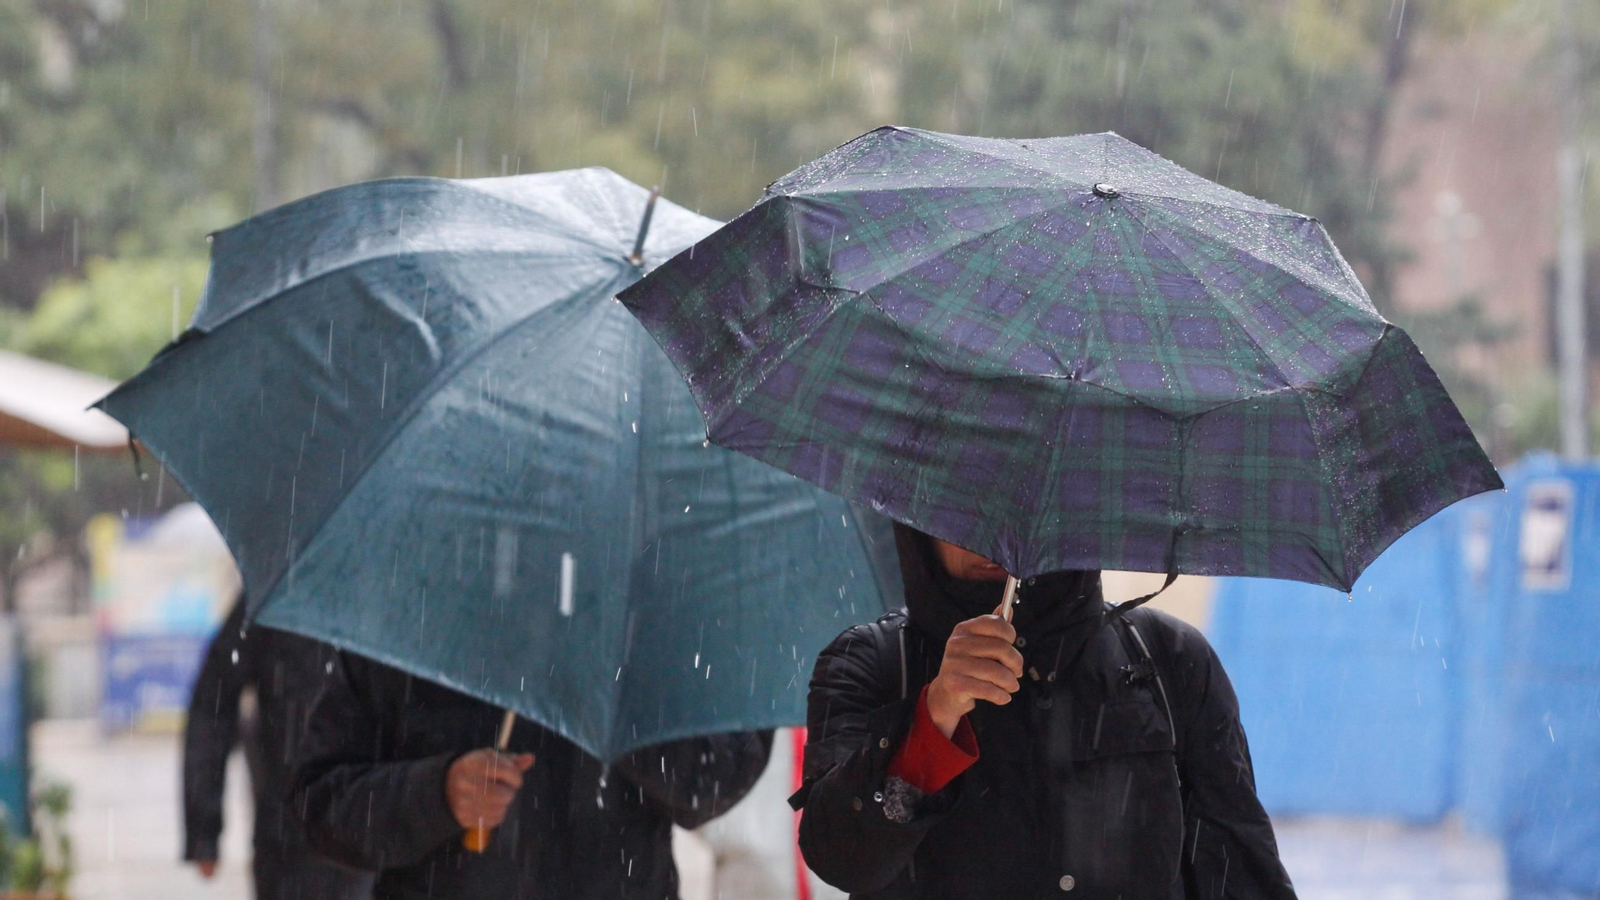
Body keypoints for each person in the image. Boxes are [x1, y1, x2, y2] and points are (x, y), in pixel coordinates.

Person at [790, 524, 1297, 899]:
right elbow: (841, 857)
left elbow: (1240, 873)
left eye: (1015, 510)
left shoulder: (1169, 659)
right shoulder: (871, 663)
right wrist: (935, 715)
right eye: (964, 510)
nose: (993, 531)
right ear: (919, 525)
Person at [290, 650, 773, 899]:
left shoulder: (657, 614)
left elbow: (718, 778)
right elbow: (320, 806)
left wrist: (617, 707)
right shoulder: (409, 612)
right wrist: (437, 794)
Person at [182, 594, 374, 899]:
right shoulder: (279, 593)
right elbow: (214, 700)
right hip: (291, 831)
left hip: (379, 827)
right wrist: (204, 825)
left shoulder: (393, 596)